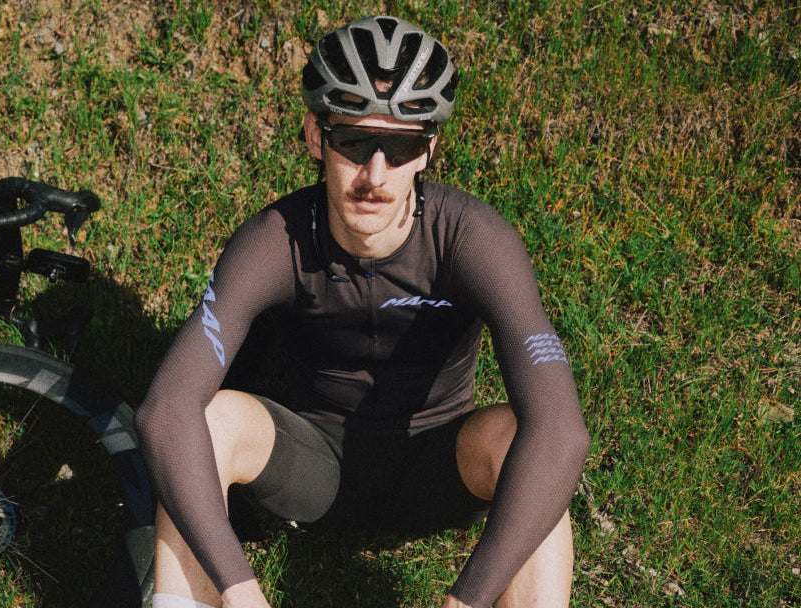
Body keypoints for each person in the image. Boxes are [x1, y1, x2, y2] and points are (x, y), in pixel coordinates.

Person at [134, 15, 590, 608]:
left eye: (398, 147)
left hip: (438, 465)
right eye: (353, 142)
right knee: (210, 419)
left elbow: (562, 434)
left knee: (522, 441)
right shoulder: (276, 241)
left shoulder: (474, 240)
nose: (374, 176)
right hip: (310, 466)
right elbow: (165, 412)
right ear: (314, 136)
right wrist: (239, 590)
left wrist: (467, 600)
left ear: (427, 151)